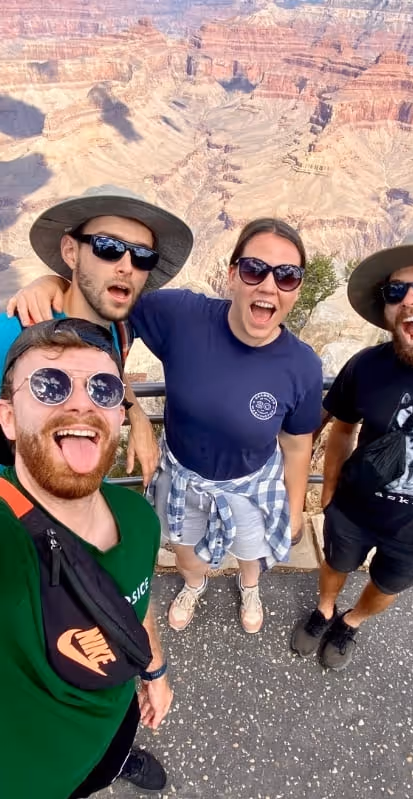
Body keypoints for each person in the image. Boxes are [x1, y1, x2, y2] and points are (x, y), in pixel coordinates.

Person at [9, 218, 323, 635]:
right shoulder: (180, 316)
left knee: (252, 549)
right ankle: (194, 585)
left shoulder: (302, 365)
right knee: (185, 549)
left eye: (287, 276)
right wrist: (51, 283)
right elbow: (102, 296)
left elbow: (298, 445)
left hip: (252, 481)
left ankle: (250, 587)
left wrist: (295, 505)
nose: (268, 285)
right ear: (232, 275)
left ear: (297, 289)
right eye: (254, 269)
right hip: (182, 477)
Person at [0, 318, 173, 798]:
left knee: (107, 766)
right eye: (49, 386)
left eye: (102, 388)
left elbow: (138, 606)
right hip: (33, 783)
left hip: (116, 715)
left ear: (120, 413)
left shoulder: (138, 520)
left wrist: (154, 674)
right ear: (8, 418)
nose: (80, 402)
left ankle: (116, 766)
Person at [291, 232, 413, 670]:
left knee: (385, 587)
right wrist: (330, 490)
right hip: (352, 510)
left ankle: (351, 621)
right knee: (335, 564)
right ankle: (326, 609)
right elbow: (341, 427)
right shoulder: (368, 365)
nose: (410, 299)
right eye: (396, 290)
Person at [1, 184, 193, 485]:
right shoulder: (14, 332)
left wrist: (136, 414)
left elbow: (103, 367)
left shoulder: (113, 332)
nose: (126, 266)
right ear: (71, 252)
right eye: (109, 248)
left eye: (142, 256)